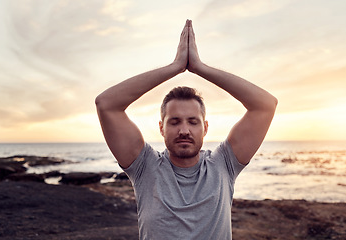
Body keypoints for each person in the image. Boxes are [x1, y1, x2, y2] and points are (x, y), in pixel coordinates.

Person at [95, 19, 277, 240]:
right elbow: (106, 104)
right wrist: (175, 67)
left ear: (205, 127)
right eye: (174, 122)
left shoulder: (223, 165)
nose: (184, 130)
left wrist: (200, 68)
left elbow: (265, 106)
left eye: (193, 121)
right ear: (161, 128)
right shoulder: (145, 167)